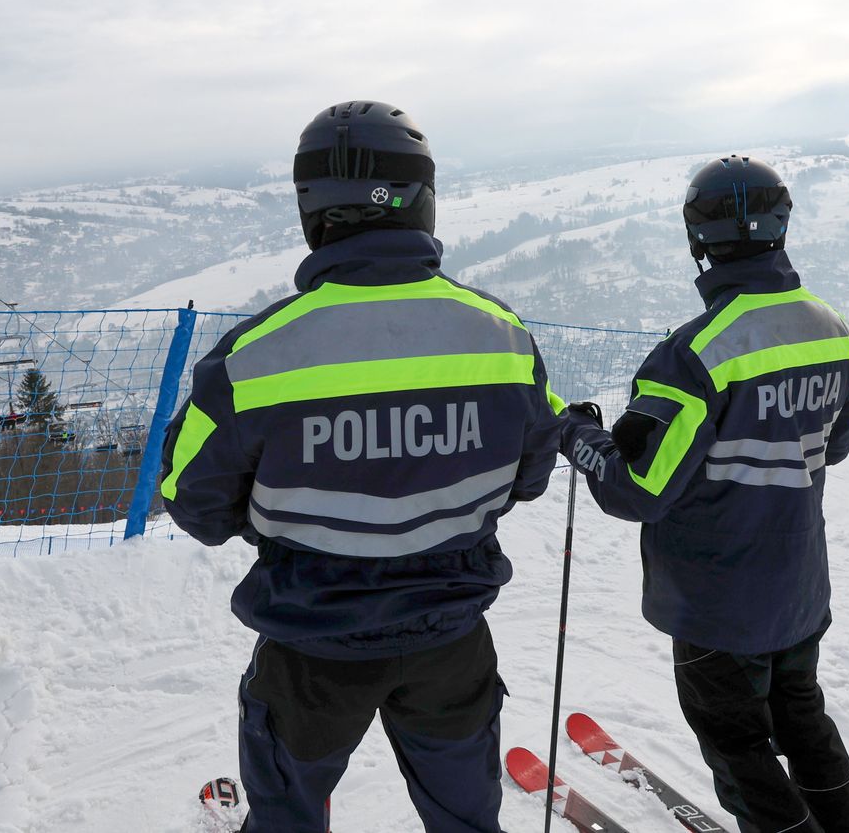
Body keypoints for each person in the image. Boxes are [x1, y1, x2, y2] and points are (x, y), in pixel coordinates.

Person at [161, 100, 563, 833]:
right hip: (450, 639)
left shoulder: (253, 356)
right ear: (423, 200)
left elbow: (192, 502)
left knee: (287, 817)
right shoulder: (502, 337)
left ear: (311, 210)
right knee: (467, 821)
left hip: (311, 648)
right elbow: (529, 475)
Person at [559, 156, 849, 833]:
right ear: (781, 226)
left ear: (698, 239)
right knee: (803, 722)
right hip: (799, 586)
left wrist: (578, 436)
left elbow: (637, 489)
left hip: (717, 602)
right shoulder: (833, 328)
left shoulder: (694, 354)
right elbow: (835, 442)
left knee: (739, 750)